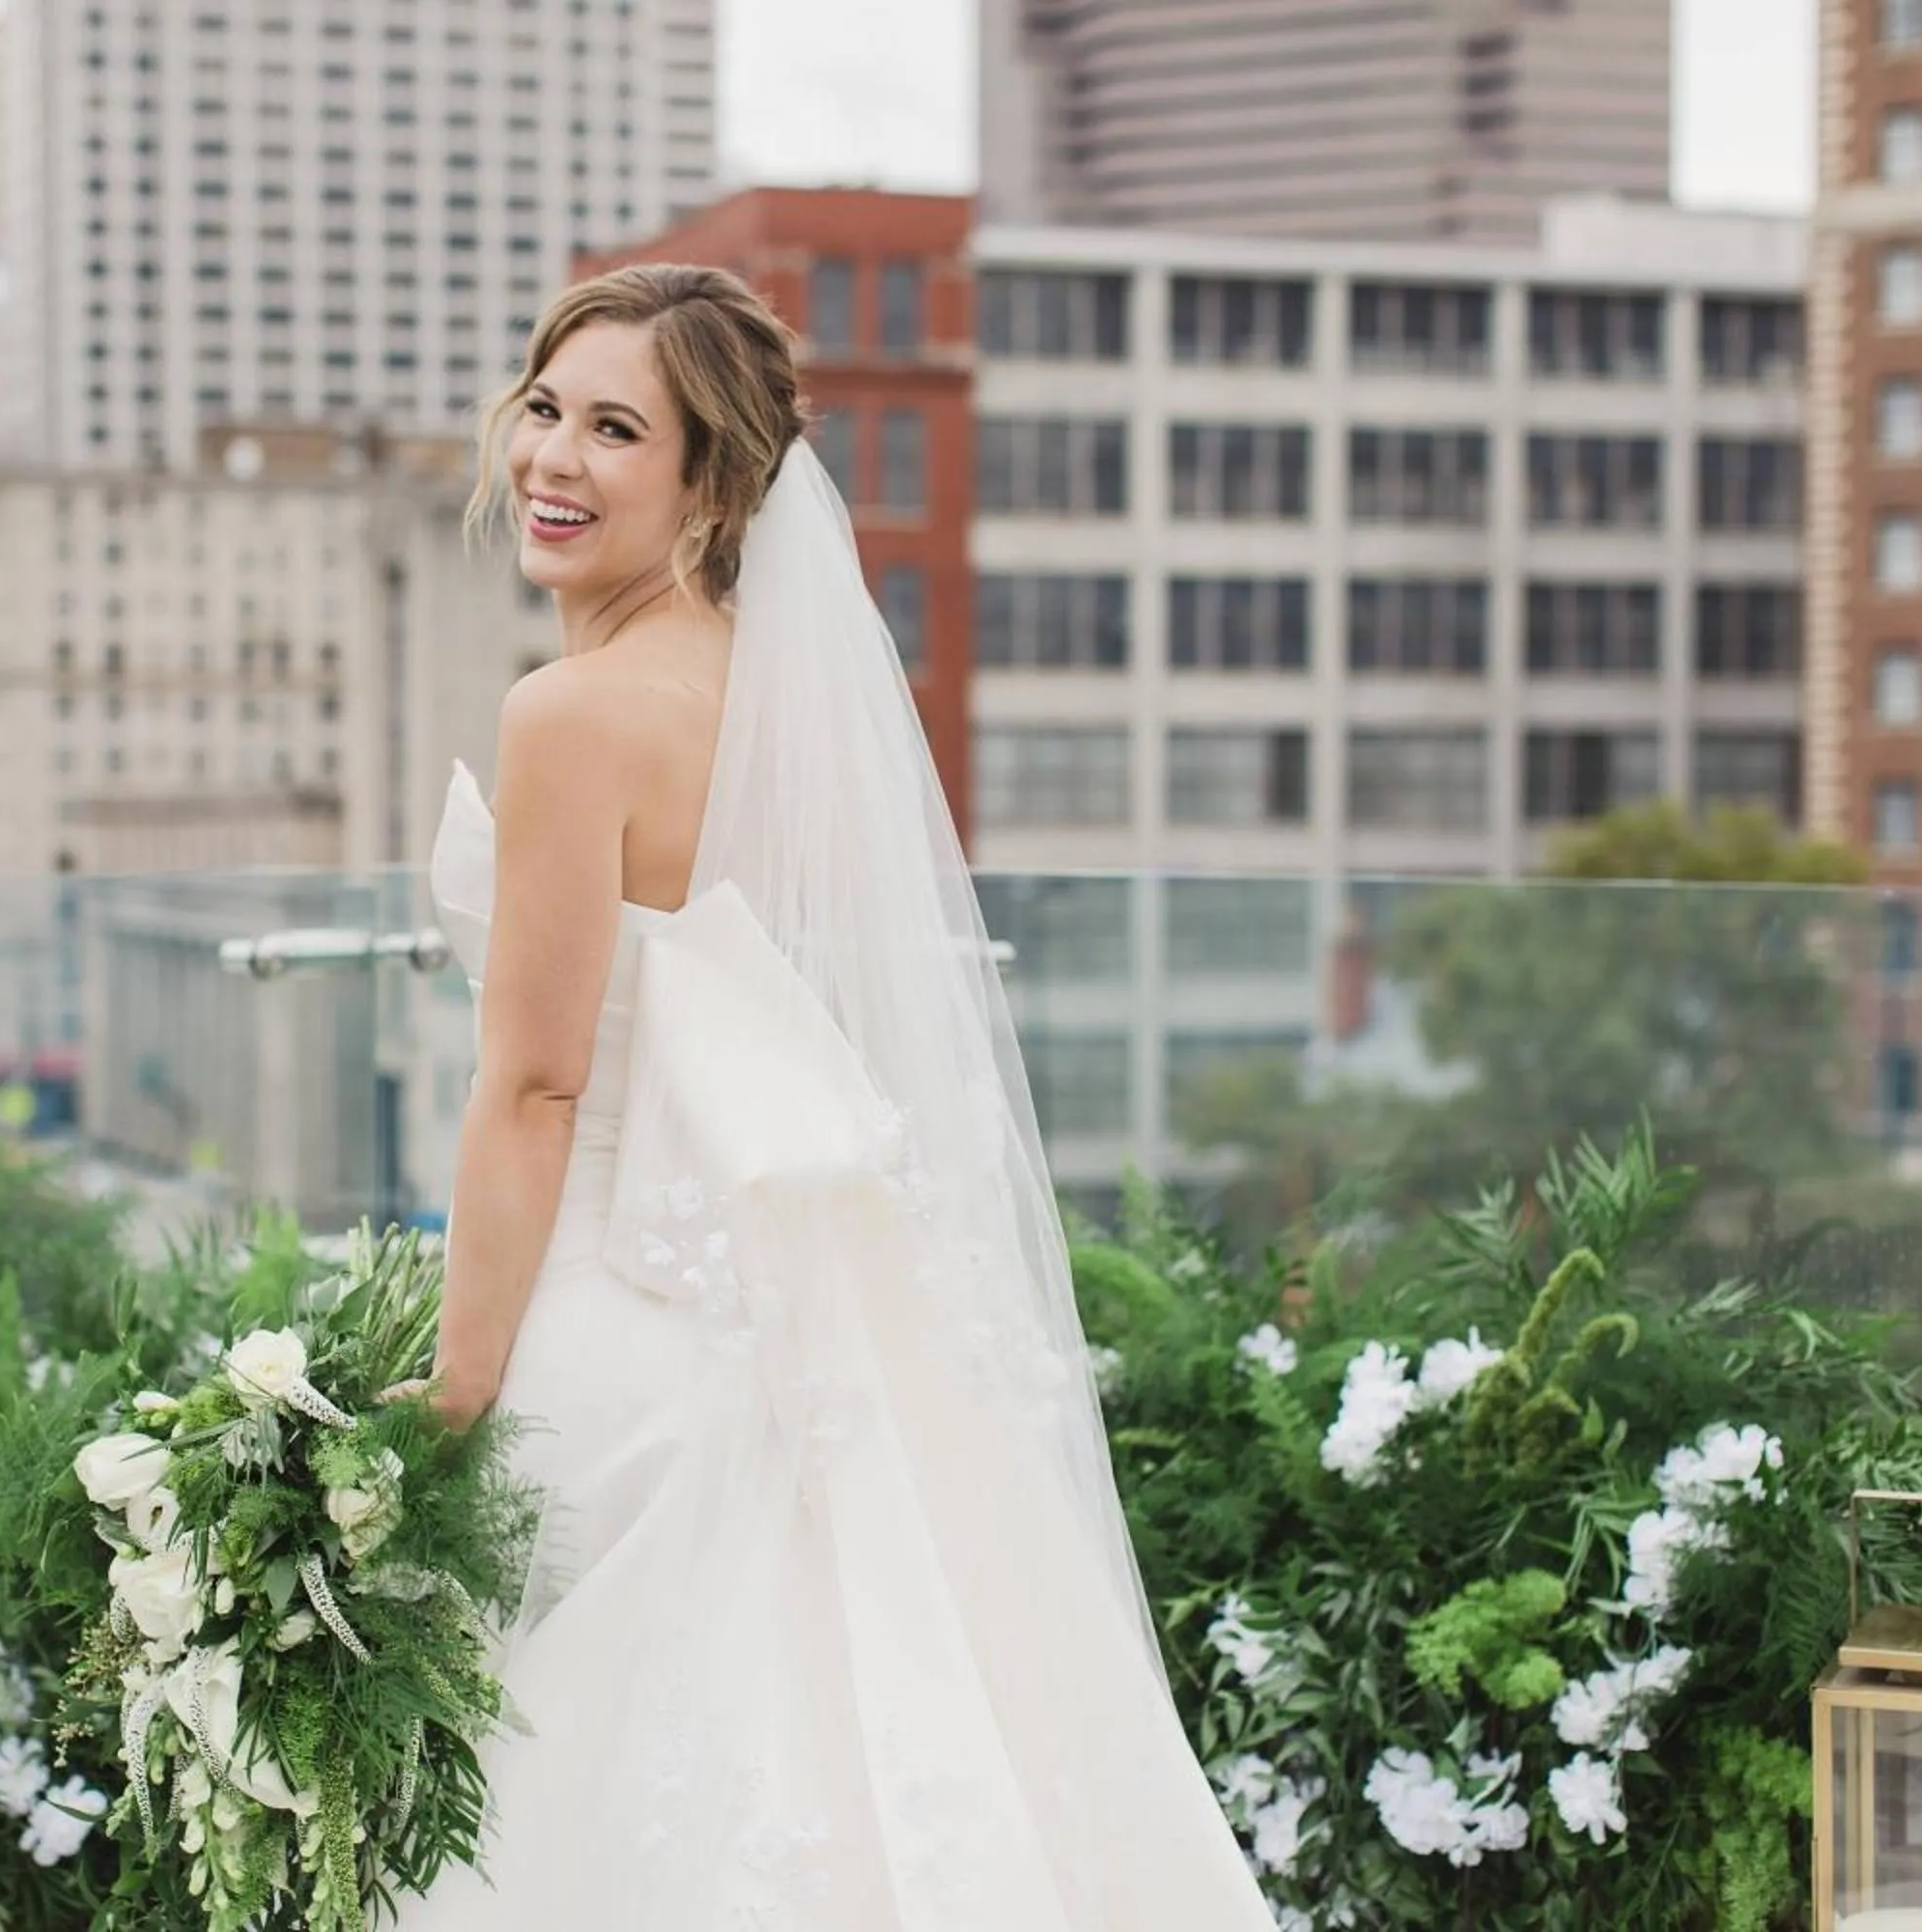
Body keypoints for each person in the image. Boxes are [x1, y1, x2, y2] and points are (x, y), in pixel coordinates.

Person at [405, 264, 1277, 1929]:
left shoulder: (572, 717)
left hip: (616, 1305)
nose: (555, 463)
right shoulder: (776, 695)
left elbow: (530, 1087)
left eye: (615, 431)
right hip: (793, 1295)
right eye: (544, 413)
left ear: (714, 484)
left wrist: (446, 1407)